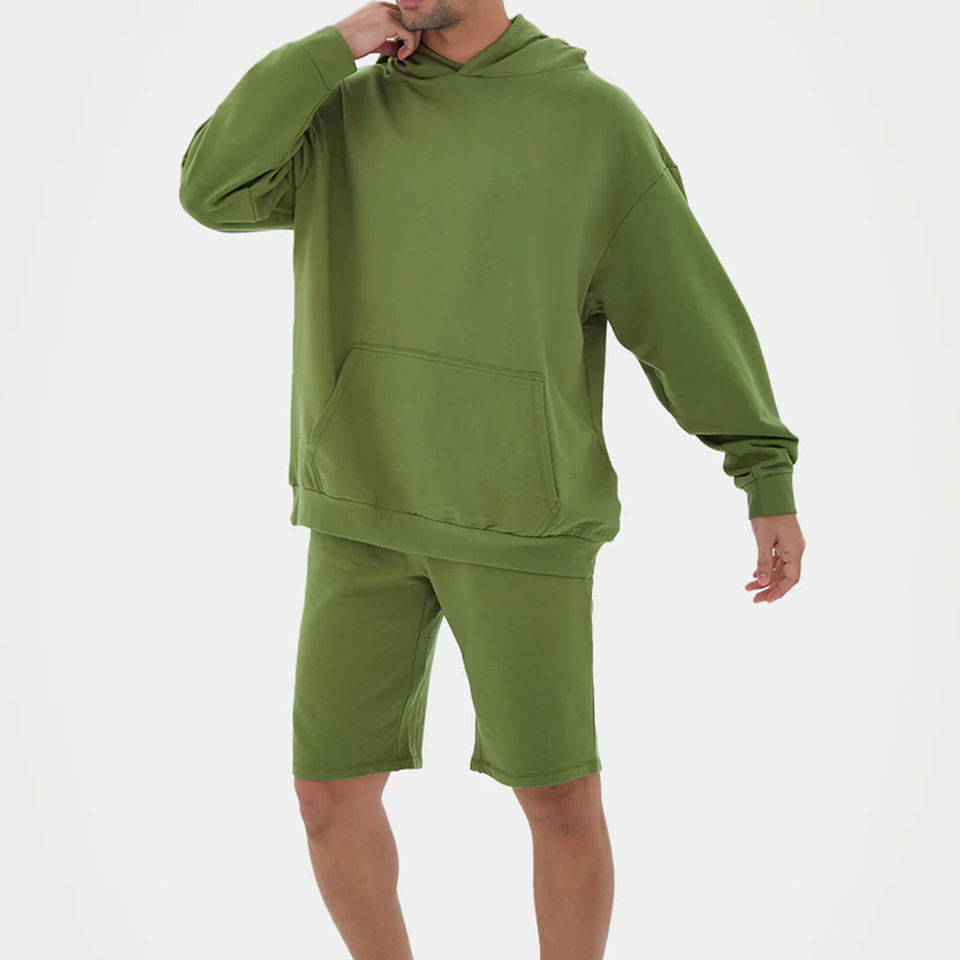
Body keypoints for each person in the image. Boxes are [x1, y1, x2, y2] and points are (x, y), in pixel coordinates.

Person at [179, 1, 806, 956]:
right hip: (360, 500)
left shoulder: (592, 123)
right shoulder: (341, 110)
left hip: (521, 514)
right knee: (326, 796)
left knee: (558, 800)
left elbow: (682, 312)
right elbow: (211, 189)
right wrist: (332, 48)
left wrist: (762, 469)